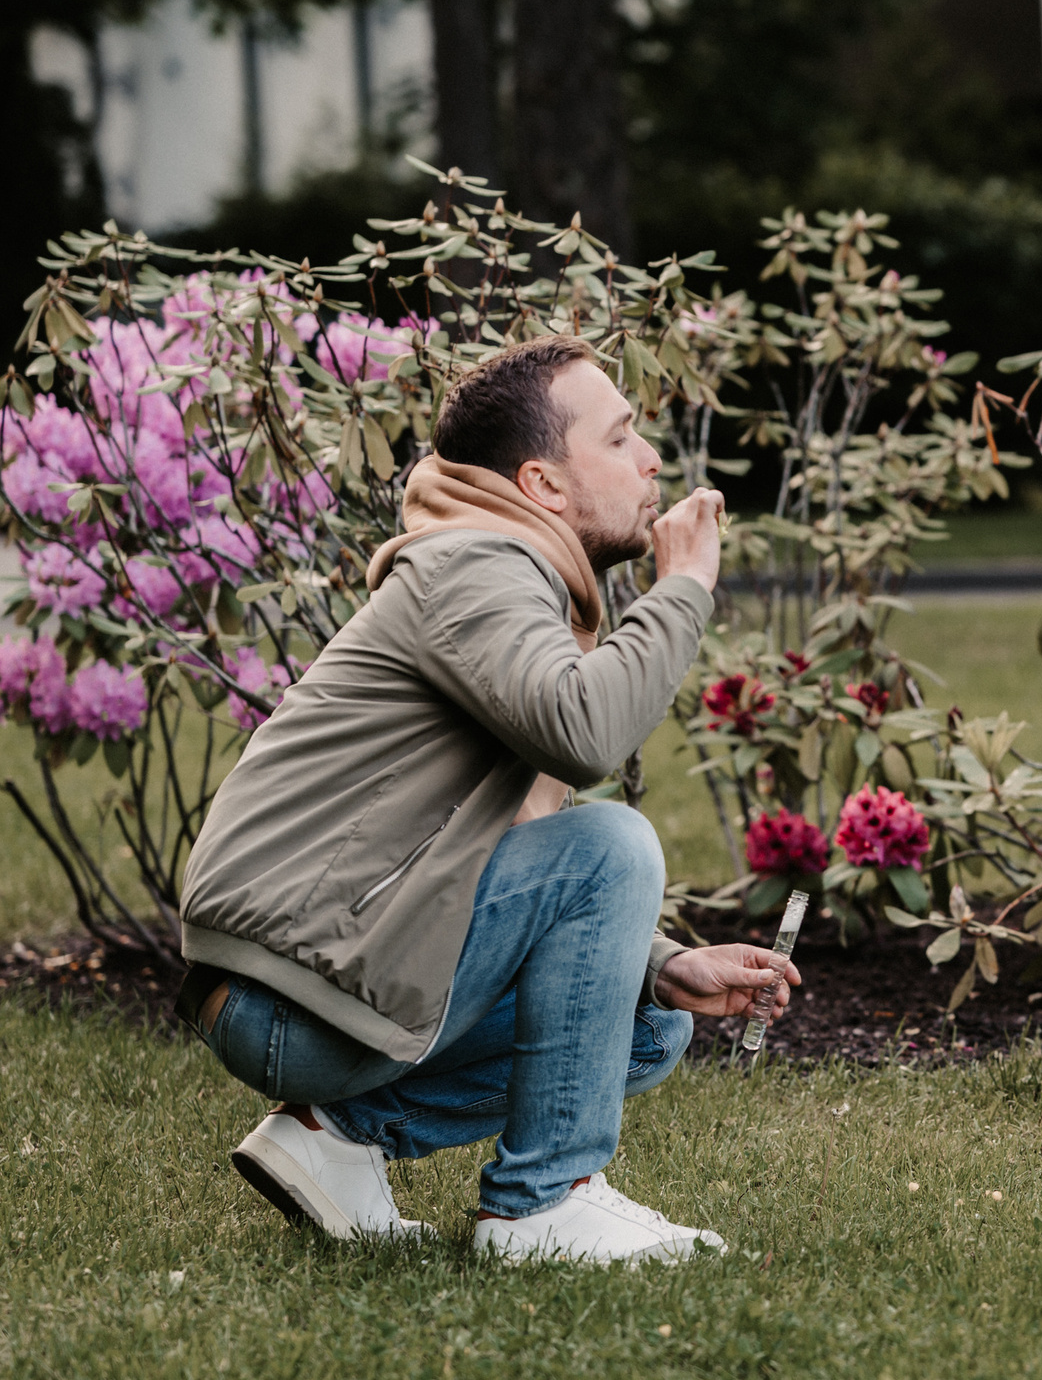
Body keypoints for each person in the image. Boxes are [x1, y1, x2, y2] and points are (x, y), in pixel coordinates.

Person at [174, 335, 803, 1265]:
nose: (651, 460)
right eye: (622, 436)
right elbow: (582, 735)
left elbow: (510, 848)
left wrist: (660, 959)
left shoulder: (500, 569)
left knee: (652, 1017)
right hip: (288, 999)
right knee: (615, 843)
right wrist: (683, 589)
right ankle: (543, 1204)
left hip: (313, 985)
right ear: (544, 484)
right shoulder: (476, 564)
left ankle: (334, 1139)